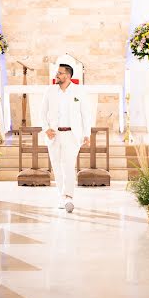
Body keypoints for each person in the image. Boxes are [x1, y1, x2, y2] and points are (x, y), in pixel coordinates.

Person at [41, 63, 91, 212]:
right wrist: (46, 129)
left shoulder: (79, 91)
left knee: (68, 165)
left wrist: (87, 133)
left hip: (72, 135)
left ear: (68, 76)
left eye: (60, 73)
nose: (57, 75)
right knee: (56, 165)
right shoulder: (50, 91)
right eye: (57, 73)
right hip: (54, 135)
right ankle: (61, 197)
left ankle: (68, 196)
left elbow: (86, 114)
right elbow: (42, 113)